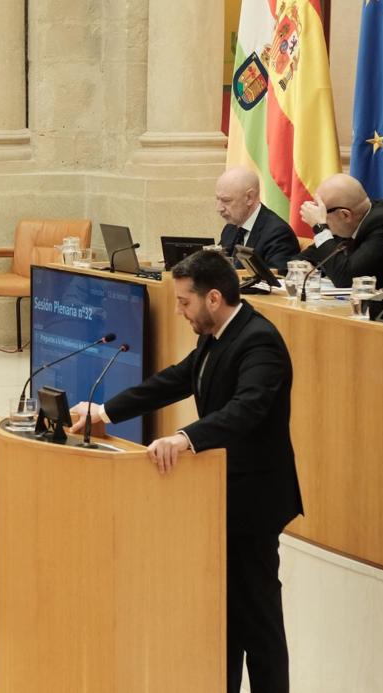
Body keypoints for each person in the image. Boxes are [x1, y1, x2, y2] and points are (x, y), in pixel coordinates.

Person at [69, 250, 301, 693]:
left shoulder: (259, 341)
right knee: (225, 619)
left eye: (184, 302)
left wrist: (185, 438)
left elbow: (247, 409)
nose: (178, 311)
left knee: (259, 622)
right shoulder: (216, 336)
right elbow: (177, 379)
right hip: (218, 494)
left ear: (213, 298)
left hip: (253, 501)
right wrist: (104, 411)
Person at [296, 173, 383, 288]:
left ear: (345, 215)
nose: (321, 219)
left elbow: (345, 279)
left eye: (323, 214)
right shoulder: (351, 222)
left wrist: (319, 227)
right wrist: (303, 266)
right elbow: (297, 262)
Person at [215, 166, 299, 271]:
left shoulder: (278, 234)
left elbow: (277, 281)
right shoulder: (230, 227)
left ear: (249, 197)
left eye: (226, 200)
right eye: (217, 199)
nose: (219, 208)